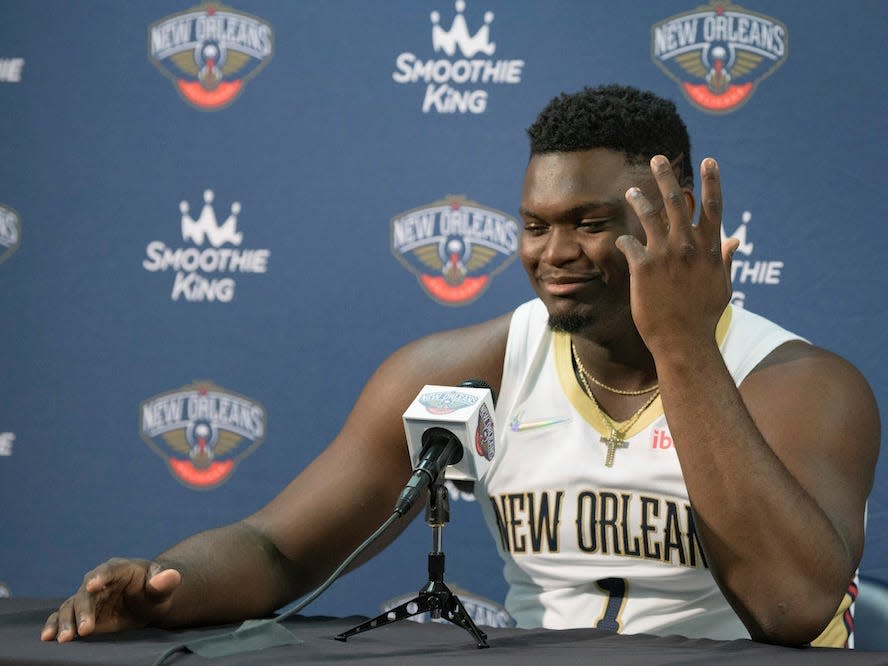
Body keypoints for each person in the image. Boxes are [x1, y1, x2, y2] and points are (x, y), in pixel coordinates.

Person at [41, 84, 879, 647]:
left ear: (675, 217)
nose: (554, 255)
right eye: (534, 224)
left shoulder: (802, 384)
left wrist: (685, 344)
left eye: (588, 222)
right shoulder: (472, 368)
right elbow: (279, 551)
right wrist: (161, 586)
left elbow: (793, 609)